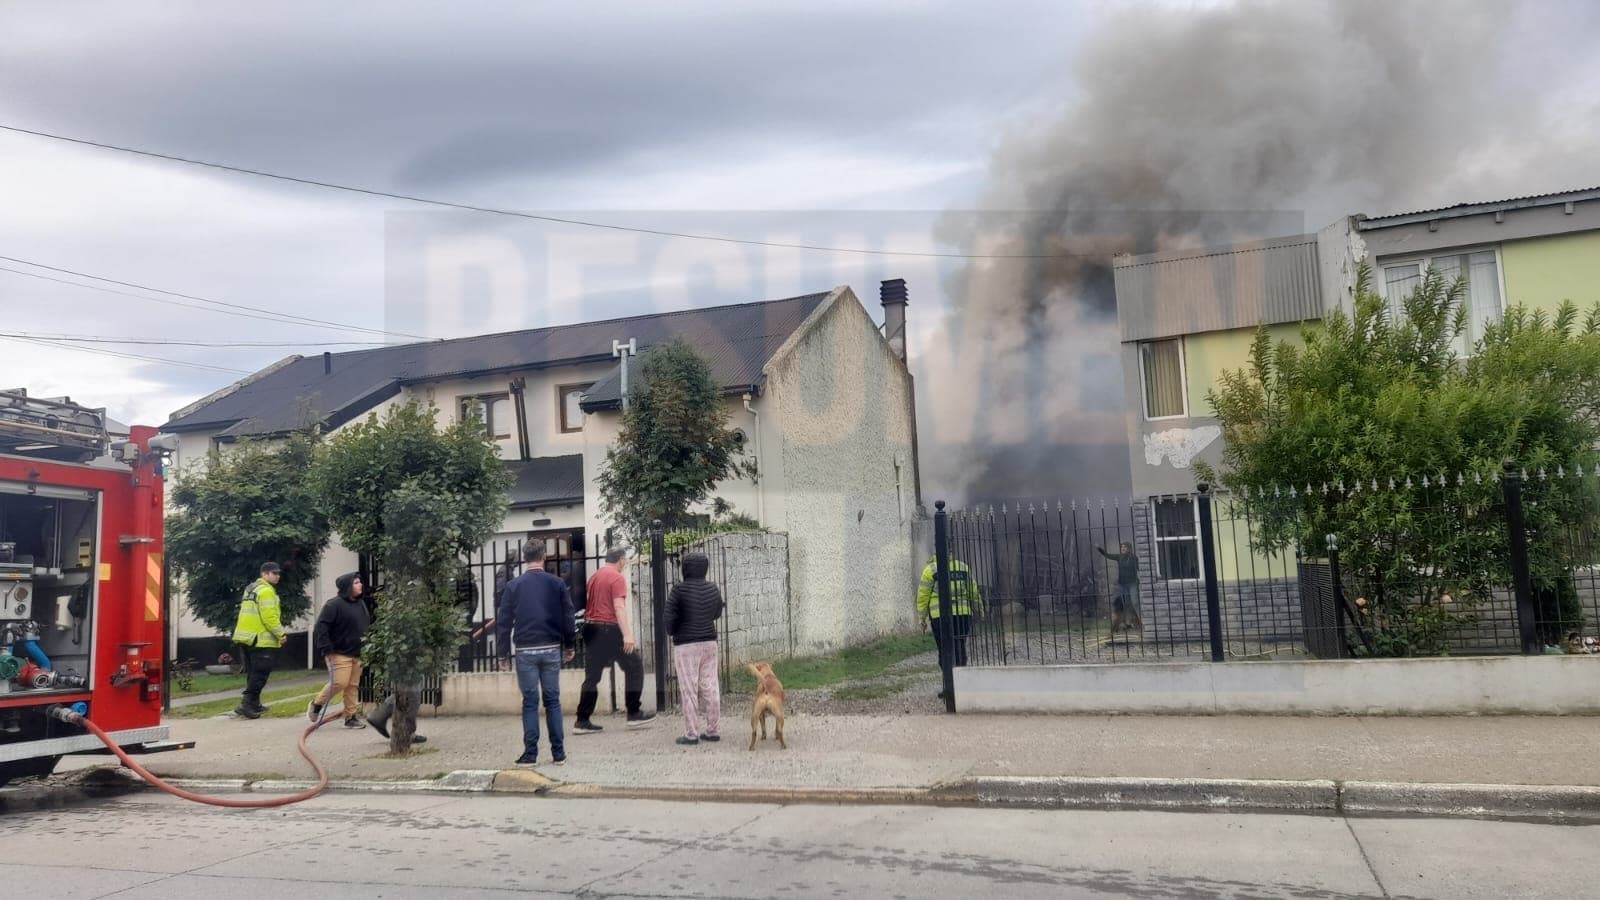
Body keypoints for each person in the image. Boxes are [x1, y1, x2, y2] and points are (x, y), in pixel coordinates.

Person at [496, 542, 576, 767]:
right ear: (544, 556)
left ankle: (530, 754)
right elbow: (568, 617)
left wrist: (503, 655)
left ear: (524, 558)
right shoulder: (557, 583)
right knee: (553, 700)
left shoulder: (513, 586)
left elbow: (503, 622)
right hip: (551, 647)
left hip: (525, 650)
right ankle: (558, 753)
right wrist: (569, 646)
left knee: (530, 702)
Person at [574, 547, 657, 733]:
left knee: (592, 677)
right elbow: (618, 607)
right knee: (634, 666)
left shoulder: (595, 576)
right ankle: (634, 713)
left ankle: (582, 720)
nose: (625, 564)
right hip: (608, 629)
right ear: (620, 560)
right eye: (624, 561)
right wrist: (627, 634)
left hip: (591, 628)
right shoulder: (617, 578)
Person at [665, 552, 723, 746]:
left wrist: (673, 631)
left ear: (685, 569)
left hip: (686, 644)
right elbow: (717, 612)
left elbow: (668, 617)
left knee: (689, 689)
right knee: (710, 685)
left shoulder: (678, 590)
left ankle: (692, 734)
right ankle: (713, 730)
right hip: (709, 641)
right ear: (705, 568)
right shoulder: (713, 588)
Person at [308, 572, 371, 729]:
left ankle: (351, 716)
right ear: (348, 587)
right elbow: (321, 628)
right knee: (340, 682)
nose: (360, 585)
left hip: (358, 652)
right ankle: (317, 704)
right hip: (338, 652)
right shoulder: (333, 605)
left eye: (359, 582)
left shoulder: (360, 604)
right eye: (356, 583)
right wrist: (326, 649)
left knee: (352, 685)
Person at [916, 553, 985, 696]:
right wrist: (979, 610)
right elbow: (973, 591)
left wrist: (921, 618)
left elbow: (923, 596)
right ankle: (962, 684)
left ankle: (950, 686)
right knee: (959, 646)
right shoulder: (962, 567)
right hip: (962, 615)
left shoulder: (931, 570)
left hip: (940, 617)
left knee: (945, 649)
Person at [230, 561, 286, 719]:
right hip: (261, 639)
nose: (278, 576)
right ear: (264, 574)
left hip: (246, 638)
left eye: (278, 573)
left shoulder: (251, 588)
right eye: (274, 573)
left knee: (253, 673)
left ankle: (255, 703)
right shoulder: (267, 591)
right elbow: (269, 617)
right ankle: (246, 704)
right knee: (260, 674)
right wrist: (281, 634)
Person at [1097, 542, 1143, 633]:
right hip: (1123, 584)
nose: (1122, 549)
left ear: (1129, 549)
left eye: (1124, 547)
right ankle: (1129, 623)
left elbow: (1140, 569)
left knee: (1135, 602)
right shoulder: (1119, 557)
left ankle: (1141, 621)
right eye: (1122, 547)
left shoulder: (1134, 558)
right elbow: (1107, 555)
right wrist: (1099, 549)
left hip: (1133, 583)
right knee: (1126, 603)